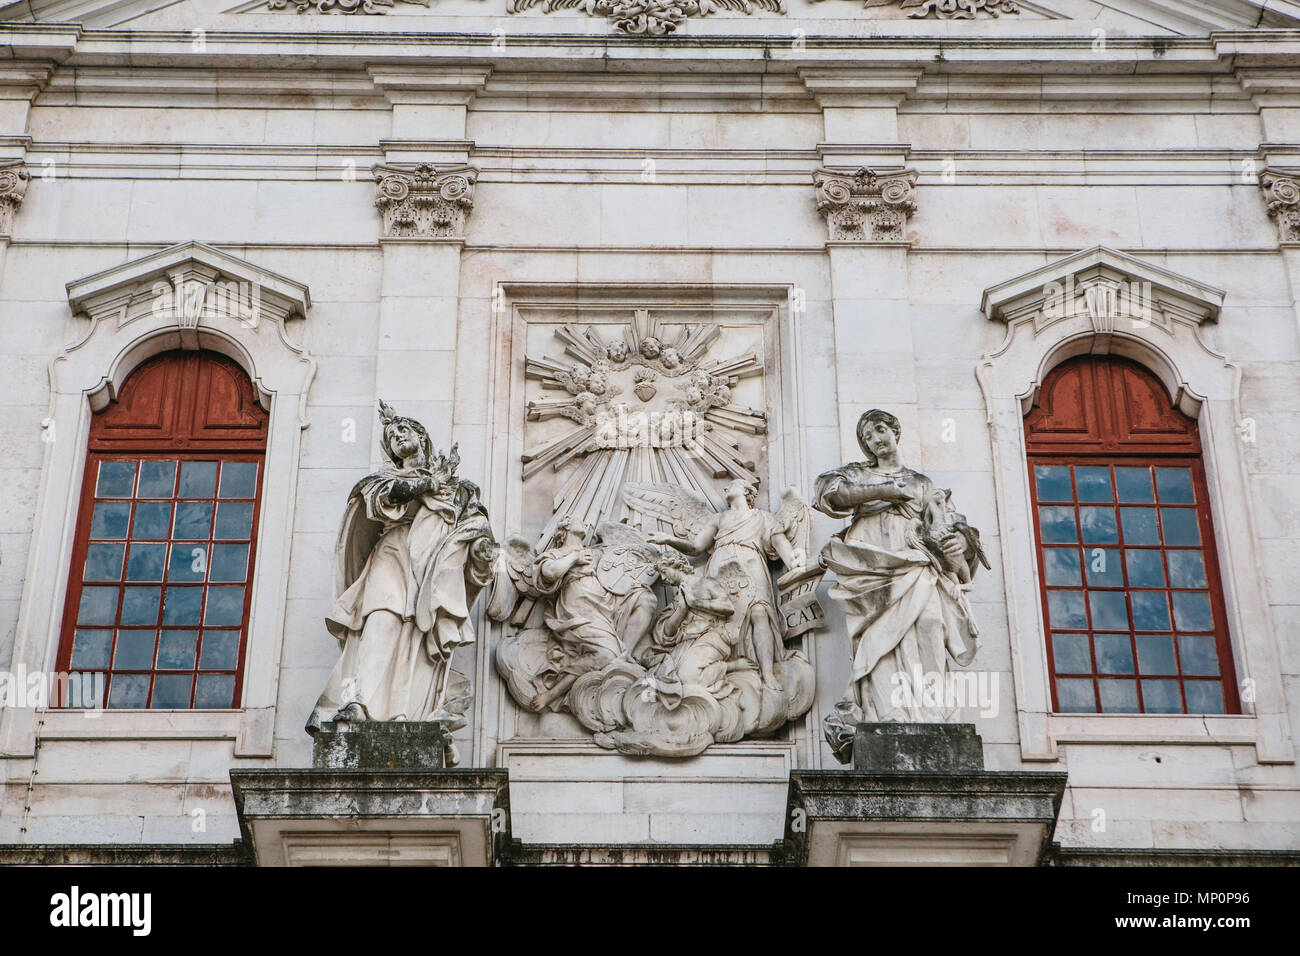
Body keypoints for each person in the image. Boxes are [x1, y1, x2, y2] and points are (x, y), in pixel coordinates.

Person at [307, 402, 497, 741]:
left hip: (432, 567)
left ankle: (405, 711)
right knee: (381, 618)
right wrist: (427, 484)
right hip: (392, 554)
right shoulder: (384, 481)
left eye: (403, 430)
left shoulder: (459, 488)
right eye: (391, 436)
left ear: (421, 437)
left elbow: (478, 529)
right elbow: (382, 500)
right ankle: (357, 701)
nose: (397, 436)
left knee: (415, 638)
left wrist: (481, 549)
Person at [813, 409, 982, 733]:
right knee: (880, 638)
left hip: (916, 562)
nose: (875, 440)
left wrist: (959, 541)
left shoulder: (922, 483)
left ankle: (931, 713)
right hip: (873, 565)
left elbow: (948, 523)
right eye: (867, 437)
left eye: (879, 430)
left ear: (895, 431)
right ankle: (888, 714)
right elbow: (829, 494)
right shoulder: (858, 474)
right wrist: (886, 492)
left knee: (930, 624)